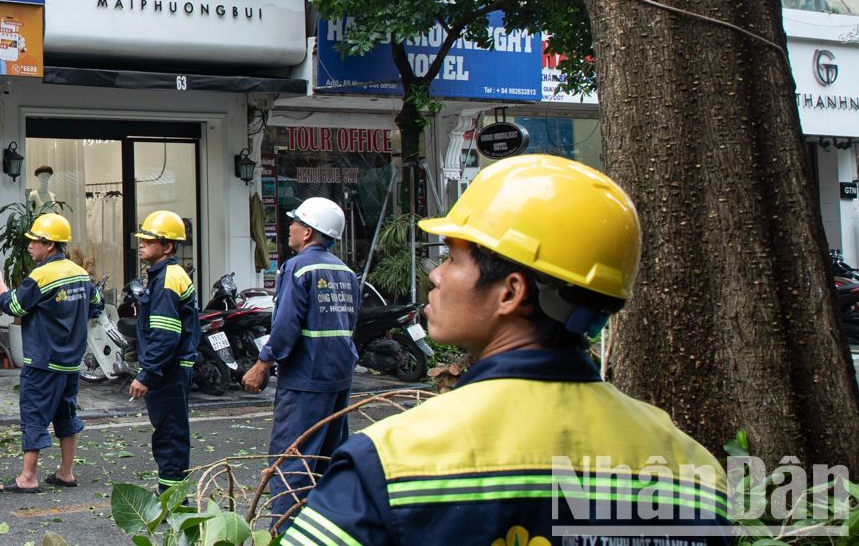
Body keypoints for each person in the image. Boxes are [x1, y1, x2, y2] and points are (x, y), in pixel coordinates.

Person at [280, 155, 729, 546]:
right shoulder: (693, 469)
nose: (435, 275)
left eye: (453, 258)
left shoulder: (391, 460)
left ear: (511, 292)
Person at [242, 196, 358, 527]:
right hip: (339, 377)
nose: (289, 227)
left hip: (306, 376)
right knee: (328, 459)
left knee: (291, 461)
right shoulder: (345, 271)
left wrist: (263, 363)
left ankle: (284, 531)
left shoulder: (298, 267)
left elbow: (285, 326)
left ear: (307, 232)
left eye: (294, 222)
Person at [0, 212, 99, 494]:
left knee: (34, 415)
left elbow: (13, 306)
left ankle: (28, 478)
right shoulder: (81, 273)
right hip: (71, 363)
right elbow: (95, 305)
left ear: (50, 244)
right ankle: (66, 472)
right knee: (66, 415)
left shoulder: (41, 276)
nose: (29, 246)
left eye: (34, 241)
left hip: (43, 361)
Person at [128, 210, 200, 493]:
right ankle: (169, 490)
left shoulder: (168, 278)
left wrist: (146, 374)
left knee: (170, 434)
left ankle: (173, 497)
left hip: (168, 370)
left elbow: (165, 335)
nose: (142, 243)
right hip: (171, 368)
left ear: (168, 246)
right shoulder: (165, 274)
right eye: (142, 238)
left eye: (150, 239)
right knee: (169, 431)